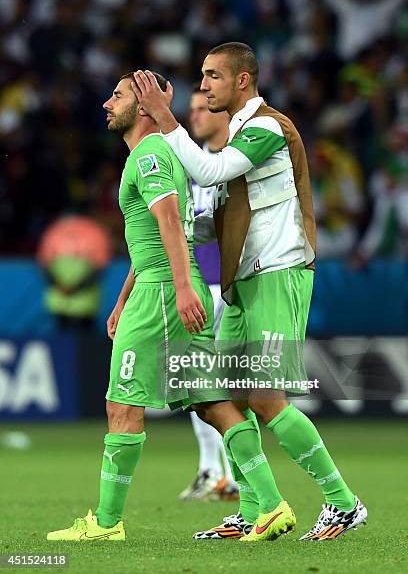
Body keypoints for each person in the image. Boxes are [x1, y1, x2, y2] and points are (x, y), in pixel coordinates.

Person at [131, 42, 368, 542]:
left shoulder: (267, 128)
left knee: (264, 395)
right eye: (202, 77)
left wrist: (163, 119)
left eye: (213, 77)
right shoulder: (237, 137)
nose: (204, 86)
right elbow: (211, 220)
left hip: (278, 272)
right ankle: (255, 507)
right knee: (225, 395)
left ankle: (343, 503)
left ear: (242, 81)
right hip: (244, 281)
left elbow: (210, 171)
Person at [47, 70, 294, 543]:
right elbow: (150, 243)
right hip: (162, 287)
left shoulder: (151, 154)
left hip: (164, 294)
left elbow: (168, 227)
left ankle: (105, 523)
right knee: (210, 402)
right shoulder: (151, 155)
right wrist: (122, 300)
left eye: (117, 95)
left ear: (142, 106)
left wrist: (179, 290)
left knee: (121, 405)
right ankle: (271, 503)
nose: (106, 103)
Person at [180, 86, 239, 502]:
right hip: (200, 286)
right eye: (192, 110)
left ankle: (231, 475)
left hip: (231, 286)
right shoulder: (188, 168)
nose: (197, 116)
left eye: (204, 108)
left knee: (226, 383)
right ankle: (211, 470)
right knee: (198, 380)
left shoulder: (238, 162)